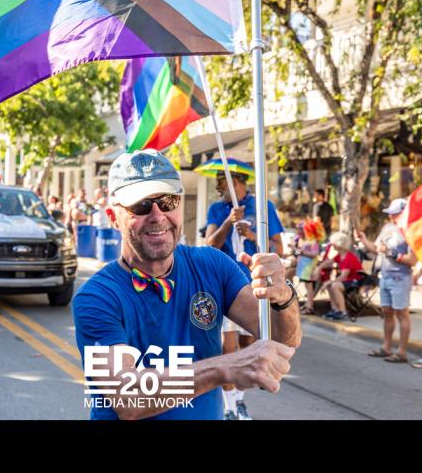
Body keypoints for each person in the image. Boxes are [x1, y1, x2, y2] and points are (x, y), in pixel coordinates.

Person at [73, 149, 301, 421]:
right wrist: (225, 367)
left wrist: (283, 297)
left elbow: (283, 338)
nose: (157, 216)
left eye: (167, 201)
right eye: (141, 206)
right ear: (113, 216)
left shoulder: (213, 264)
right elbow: (128, 399)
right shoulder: (96, 297)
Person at [204, 168, 285, 420]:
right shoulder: (217, 209)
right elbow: (209, 245)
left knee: (248, 346)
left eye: (223, 182)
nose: (219, 187)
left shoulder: (263, 207)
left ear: (238, 182)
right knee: (228, 349)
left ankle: (239, 401)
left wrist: (251, 235)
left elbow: (278, 248)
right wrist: (228, 222)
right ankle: (228, 407)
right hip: (224, 286)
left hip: (253, 286)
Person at [354, 198, 417, 363]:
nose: (391, 217)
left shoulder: (410, 230)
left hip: (400, 277)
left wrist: (391, 253)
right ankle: (386, 347)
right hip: (386, 276)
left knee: (402, 314)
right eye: (390, 214)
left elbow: (412, 260)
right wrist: (363, 240)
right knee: (387, 312)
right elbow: (376, 248)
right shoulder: (388, 228)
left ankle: (402, 352)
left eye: (394, 214)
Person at [321, 232, 363, 321]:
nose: (332, 245)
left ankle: (343, 312)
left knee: (335, 285)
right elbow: (328, 262)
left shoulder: (348, 258)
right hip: (349, 280)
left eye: (333, 243)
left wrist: (329, 282)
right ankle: (335, 309)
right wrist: (319, 268)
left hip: (356, 281)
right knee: (331, 285)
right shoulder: (340, 255)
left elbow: (343, 276)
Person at [296, 220, 326, 315]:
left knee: (309, 288)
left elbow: (314, 254)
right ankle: (307, 304)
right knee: (307, 287)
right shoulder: (309, 241)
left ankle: (310, 306)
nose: (303, 231)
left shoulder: (313, 242)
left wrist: (302, 252)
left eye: (305, 230)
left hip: (308, 268)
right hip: (305, 267)